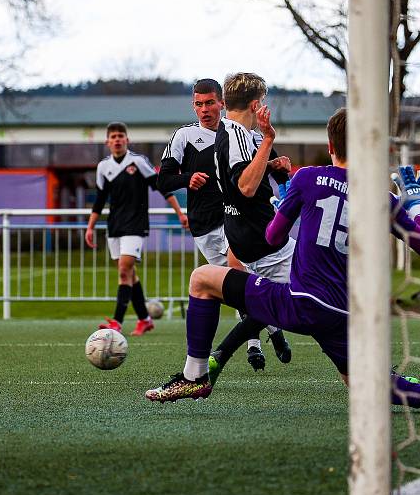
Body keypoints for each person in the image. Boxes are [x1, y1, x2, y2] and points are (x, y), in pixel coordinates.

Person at [144, 108, 420, 414]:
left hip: (301, 302)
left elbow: (273, 239)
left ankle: (195, 376)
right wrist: (415, 201)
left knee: (202, 279)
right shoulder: (382, 196)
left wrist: (285, 203)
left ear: (330, 146)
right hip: (343, 313)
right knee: (361, 383)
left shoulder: (308, 178)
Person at [157, 77, 292, 372]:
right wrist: (186, 180)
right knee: (246, 288)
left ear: (222, 103)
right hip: (207, 223)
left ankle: (245, 347)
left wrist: (278, 168)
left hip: (234, 222)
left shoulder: (243, 133)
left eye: (209, 103)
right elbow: (163, 179)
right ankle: (268, 334)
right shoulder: (188, 136)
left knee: (243, 280)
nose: (204, 109)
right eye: (198, 104)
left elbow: (260, 178)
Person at [197, 72, 294, 381]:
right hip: (264, 241)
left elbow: (253, 177)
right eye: (262, 102)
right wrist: (268, 140)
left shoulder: (231, 132)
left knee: (279, 303)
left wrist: (272, 164)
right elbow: (247, 187)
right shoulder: (240, 134)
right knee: (333, 295)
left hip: (246, 238)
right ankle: (375, 372)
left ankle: (220, 355)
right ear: (256, 104)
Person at [85, 122, 185, 336]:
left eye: (121, 136)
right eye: (113, 137)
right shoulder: (103, 167)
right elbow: (100, 200)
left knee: (124, 271)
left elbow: (162, 187)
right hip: (114, 226)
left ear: (127, 140)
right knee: (129, 274)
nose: (117, 139)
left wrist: (179, 213)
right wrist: (90, 226)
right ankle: (145, 319)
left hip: (135, 224)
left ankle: (117, 322)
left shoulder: (138, 162)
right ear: (107, 142)